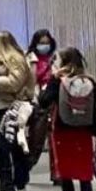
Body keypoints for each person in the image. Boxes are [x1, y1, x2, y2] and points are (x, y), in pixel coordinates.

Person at [37, 47, 96, 191]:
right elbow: (94, 110)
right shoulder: (89, 81)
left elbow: (43, 101)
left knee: (66, 176)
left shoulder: (58, 81)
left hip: (62, 131)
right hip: (83, 132)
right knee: (84, 176)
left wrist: (51, 79)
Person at [0, 31, 37, 191]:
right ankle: (7, 186)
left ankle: (19, 182)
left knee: (16, 146)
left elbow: (15, 83)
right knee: (3, 148)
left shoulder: (15, 59)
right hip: (1, 106)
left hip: (16, 107)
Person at [27, 29, 60, 180]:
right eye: (41, 43)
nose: (44, 46)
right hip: (39, 100)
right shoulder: (31, 58)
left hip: (54, 99)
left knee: (55, 138)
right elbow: (32, 79)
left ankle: (57, 173)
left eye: (47, 43)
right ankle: (25, 168)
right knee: (37, 139)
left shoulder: (55, 58)